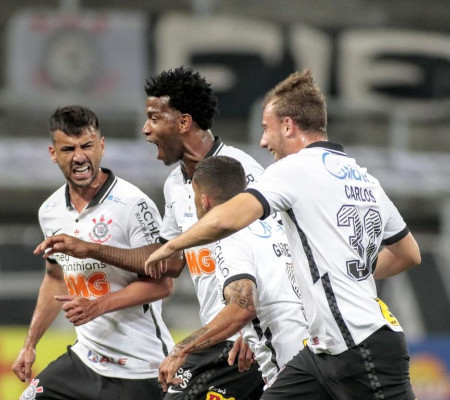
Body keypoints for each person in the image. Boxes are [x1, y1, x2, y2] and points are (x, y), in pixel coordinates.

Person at [144, 69, 422, 400]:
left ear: (288, 126)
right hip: (319, 351)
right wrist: (345, 273)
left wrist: (172, 245)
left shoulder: (294, 169)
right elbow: (408, 254)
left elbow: (228, 219)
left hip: (359, 343)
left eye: (266, 128)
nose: (263, 142)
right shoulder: (363, 178)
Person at [34, 67, 265, 399]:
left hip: (249, 338)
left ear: (183, 123)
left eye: (154, 119)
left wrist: (250, 327)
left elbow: (277, 253)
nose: (146, 129)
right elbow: (167, 262)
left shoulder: (241, 174)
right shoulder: (175, 185)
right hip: (219, 337)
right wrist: (91, 249)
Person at [14, 105, 174, 400]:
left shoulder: (134, 205)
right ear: (53, 153)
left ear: (101, 146)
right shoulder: (50, 211)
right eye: (68, 149)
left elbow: (162, 284)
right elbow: (56, 278)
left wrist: (96, 306)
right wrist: (30, 344)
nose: (79, 157)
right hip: (84, 361)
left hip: (140, 367)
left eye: (86, 146)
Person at [157, 155, 309, 391]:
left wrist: (181, 348)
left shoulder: (230, 237)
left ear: (204, 200)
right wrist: (246, 334)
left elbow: (243, 306)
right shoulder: (273, 227)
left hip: (287, 365)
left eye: (194, 196)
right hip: (312, 352)